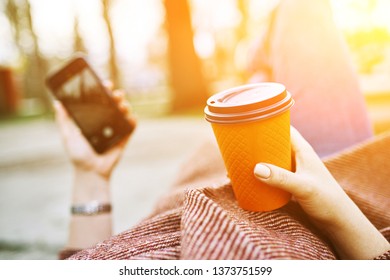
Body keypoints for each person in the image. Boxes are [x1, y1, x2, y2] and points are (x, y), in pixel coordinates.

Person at [55, 0, 390, 260]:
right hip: (325, 183)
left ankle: (258, 63)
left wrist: (91, 175)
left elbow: (76, 262)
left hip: (206, 173)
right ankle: (259, 60)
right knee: (300, 12)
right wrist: (334, 208)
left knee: (264, 72)